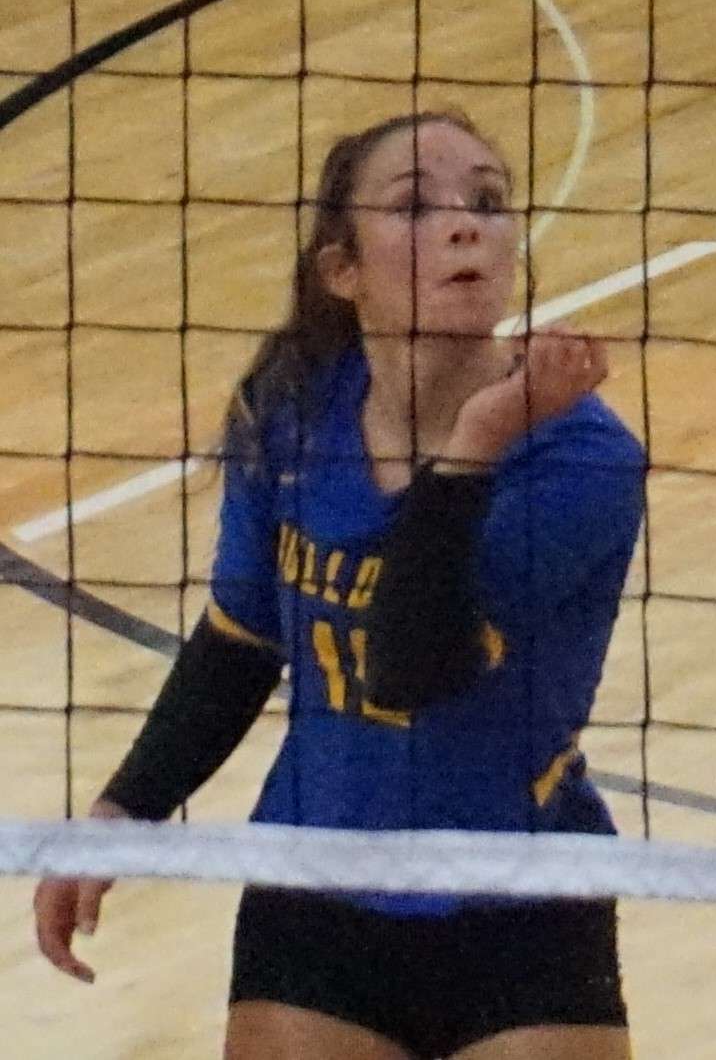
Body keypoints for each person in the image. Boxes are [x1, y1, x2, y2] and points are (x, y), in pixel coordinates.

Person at [33, 110, 647, 1060]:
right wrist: (121, 813)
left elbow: (409, 662)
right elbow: (239, 642)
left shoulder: (580, 456)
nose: (464, 224)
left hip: (522, 901)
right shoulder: (287, 415)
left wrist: (475, 445)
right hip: (314, 891)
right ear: (342, 272)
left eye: (487, 202)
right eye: (415, 206)